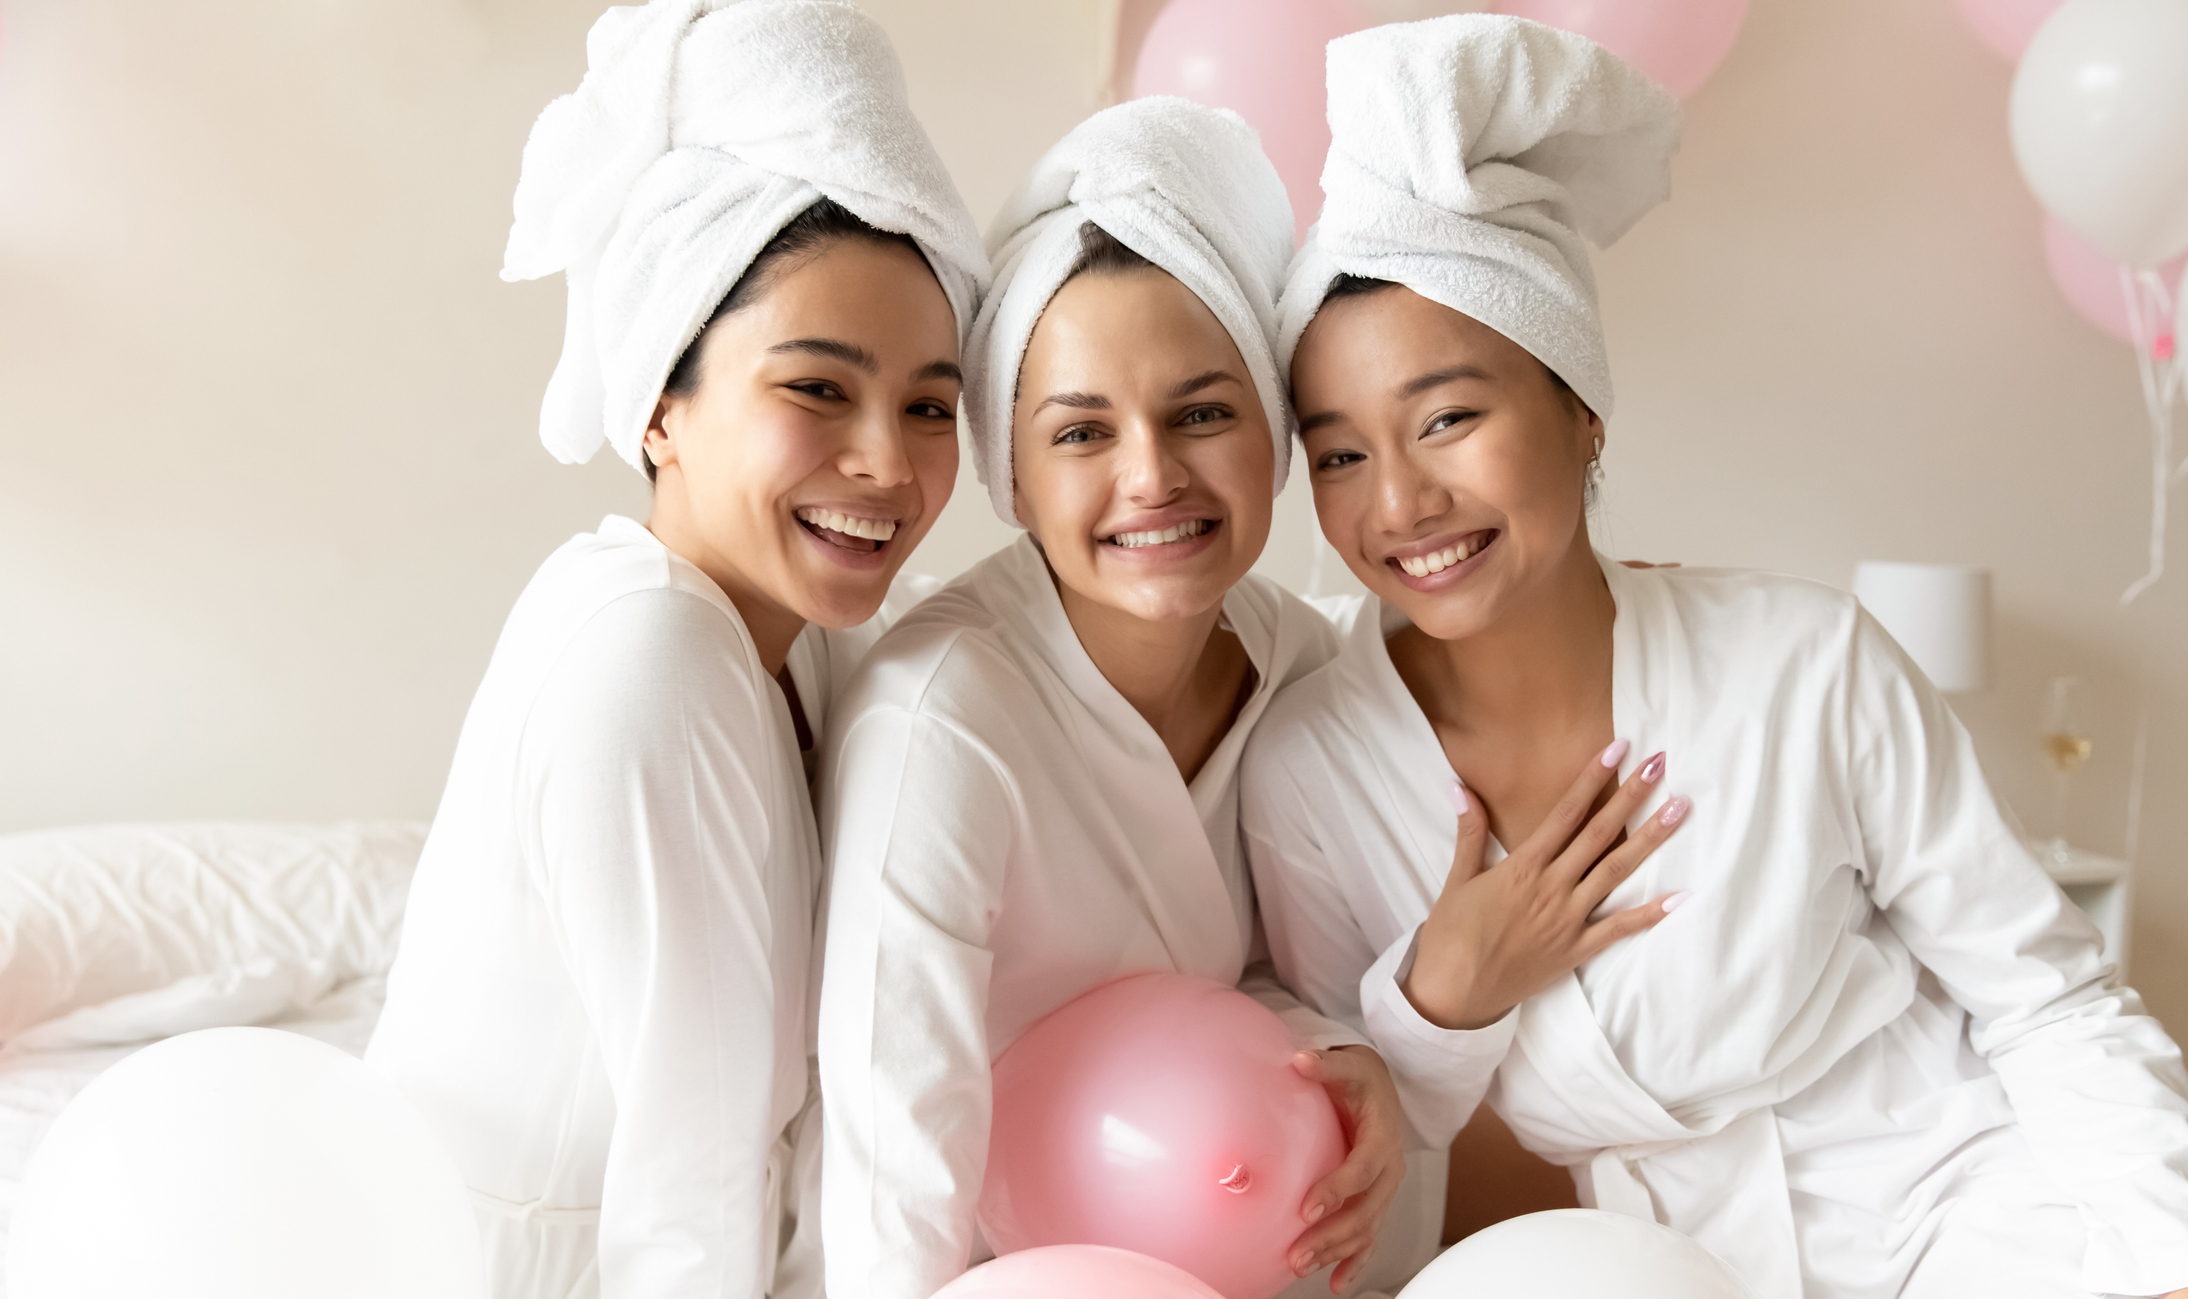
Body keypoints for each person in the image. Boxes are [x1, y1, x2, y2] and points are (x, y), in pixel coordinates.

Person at [1242, 14, 2188, 1299]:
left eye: (1449, 417)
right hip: (1646, 1265)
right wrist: (1437, 998)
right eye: (1340, 453)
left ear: (1580, 412)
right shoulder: (1307, 772)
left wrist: (2180, 1275)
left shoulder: (1805, 662)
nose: (1398, 503)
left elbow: (2051, 1001)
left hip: (1970, 1207)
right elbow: (1364, 1136)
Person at [363, 4, 987, 1297]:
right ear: (661, 403)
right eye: (817, 387)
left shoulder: (790, 630)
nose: (889, 461)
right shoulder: (647, 655)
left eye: (930, 404)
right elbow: (692, 1176)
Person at [812, 98, 1472, 1299]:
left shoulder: (1304, 665)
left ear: (1272, 430)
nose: (1152, 477)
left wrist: (1335, 1052)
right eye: (1079, 433)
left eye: (1203, 413)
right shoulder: (940, 720)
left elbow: (1271, 973)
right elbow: (888, 1122)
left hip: (1246, 1246)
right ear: (1012, 471)